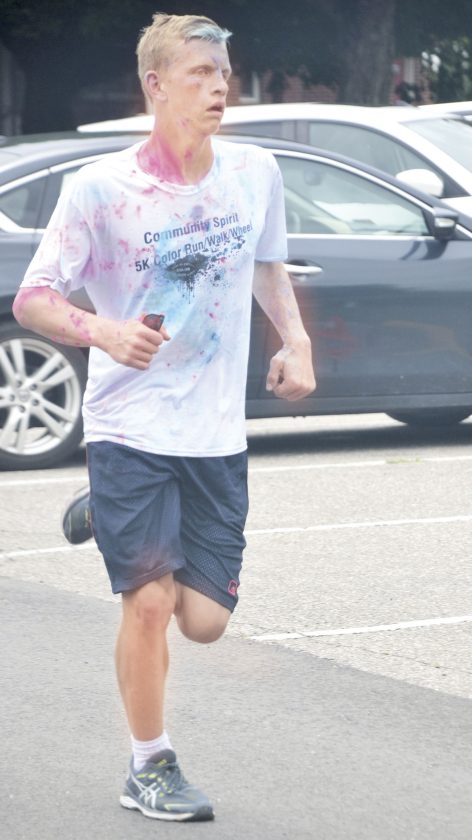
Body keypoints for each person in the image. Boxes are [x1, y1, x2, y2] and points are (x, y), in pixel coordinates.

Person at [13, 12, 315, 823]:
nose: (220, 87)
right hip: (129, 425)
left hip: (213, 433)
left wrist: (297, 341)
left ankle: (104, 514)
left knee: (205, 622)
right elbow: (33, 298)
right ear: (155, 85)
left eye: (225, 74)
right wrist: (104, 332)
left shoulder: (254, 173)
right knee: (148, 603)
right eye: (200, 74)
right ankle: (149, 764)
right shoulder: (101, 190)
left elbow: (267, 266)